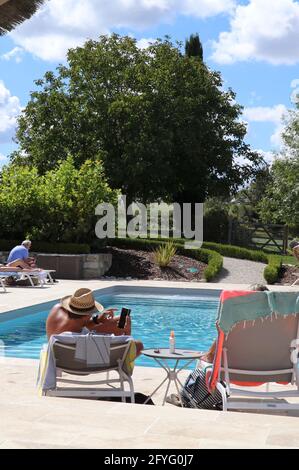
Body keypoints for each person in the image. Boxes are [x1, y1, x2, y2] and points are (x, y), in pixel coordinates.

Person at [46, 288, 144, 357]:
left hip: (60, 360)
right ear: (88, 315)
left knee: (117, 321)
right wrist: (127, 331)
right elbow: (123, 344)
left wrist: (97, 320)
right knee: (138, 345)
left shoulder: (56, 309)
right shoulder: (86, 339)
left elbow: (77, 323)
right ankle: (123, 368)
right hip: (84, 363)